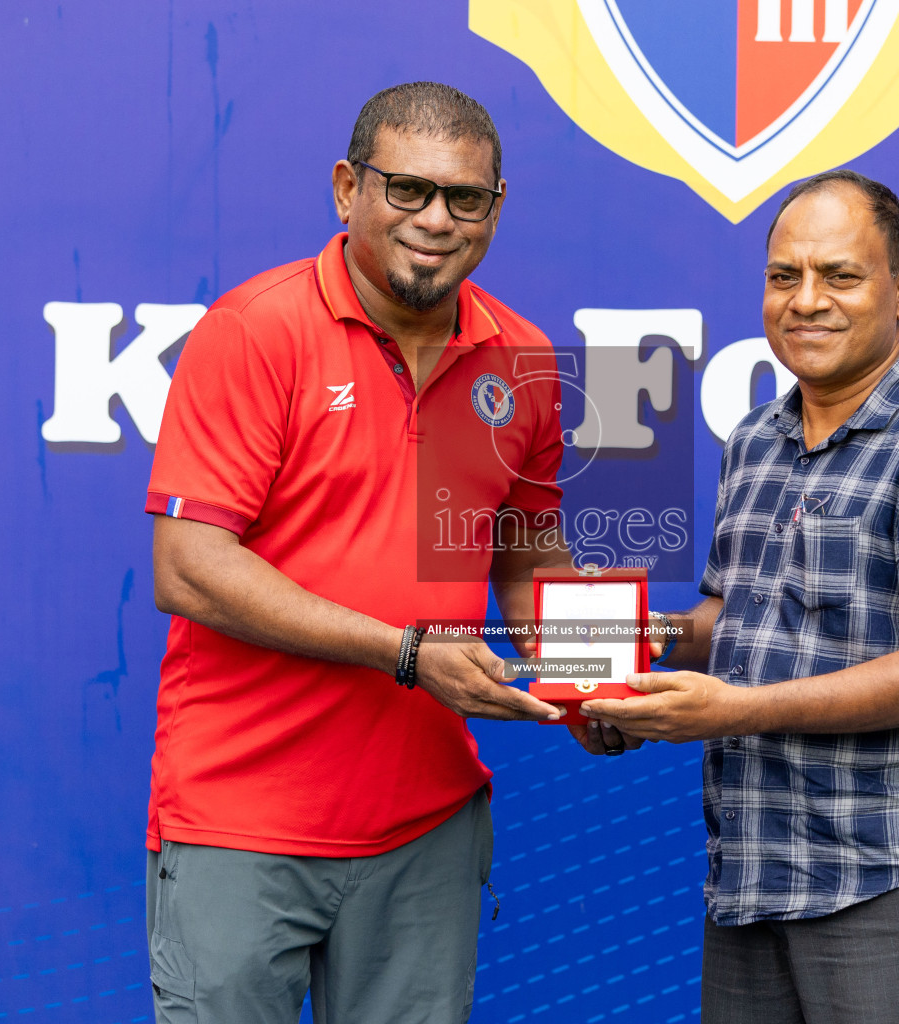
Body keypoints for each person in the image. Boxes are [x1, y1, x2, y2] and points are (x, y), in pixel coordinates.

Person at [141, 82, 576, 1024]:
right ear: (348, 190)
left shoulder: (517, 359)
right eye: (406, 190)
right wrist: (407, 652)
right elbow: (189, 564)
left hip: (425, 827)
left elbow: (528, 564)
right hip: (242, 821)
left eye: (465, 198)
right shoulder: (257, 330)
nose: (435, 220)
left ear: (495, 210)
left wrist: (600, 684)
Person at [579, 170, 899, 1024]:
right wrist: (623, 647)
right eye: (785, 276)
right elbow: (729, 622)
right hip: (749, 881)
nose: (806, 301)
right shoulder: (754, 442)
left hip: (882, 883)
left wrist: (734, 710)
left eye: (839, 276)